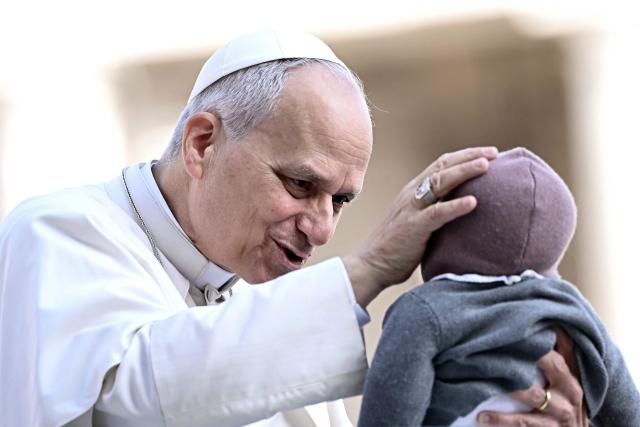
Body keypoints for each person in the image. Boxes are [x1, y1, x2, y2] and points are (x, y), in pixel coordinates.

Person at [0, 30, 586, 426]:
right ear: (203, 144)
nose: (323, 229)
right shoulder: (59, 232)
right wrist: (368, 269)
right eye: (301, 185)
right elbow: (131, 394)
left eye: (342, 200)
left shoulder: (277, 303)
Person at [358, 147, 640, 427]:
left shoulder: (423, 310)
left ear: (443, 229)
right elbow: (627, 411)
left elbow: (389, 412)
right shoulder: (570, 305)